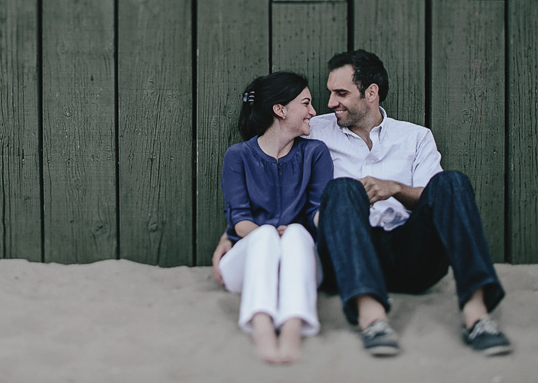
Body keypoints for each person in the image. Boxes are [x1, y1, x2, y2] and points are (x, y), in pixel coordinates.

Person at [212, 50, 511, 357]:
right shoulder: (312, 128)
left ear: (371, 93)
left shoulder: (416, 138)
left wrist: (394, 188)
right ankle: (373, 320)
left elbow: (433, 196)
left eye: (340, 93)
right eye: (328, 93)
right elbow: (270, 158)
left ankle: (477, 316)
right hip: (347, 255)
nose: (328, 104)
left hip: (410, 252)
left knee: (453, 182)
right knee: (343, 189)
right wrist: (233, 232)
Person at [217, 71, 333, 364]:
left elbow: (316, 211)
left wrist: (336, 223)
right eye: (306, 103)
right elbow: (239, 219)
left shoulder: (315, 153)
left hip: (299, 262)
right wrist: (266, 232)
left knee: (295, 232)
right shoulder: (238, 156)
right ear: (280, 110)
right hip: (247, 262)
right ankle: (262, 326)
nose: (313, 112)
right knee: (266, 234)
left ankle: (293, 328)